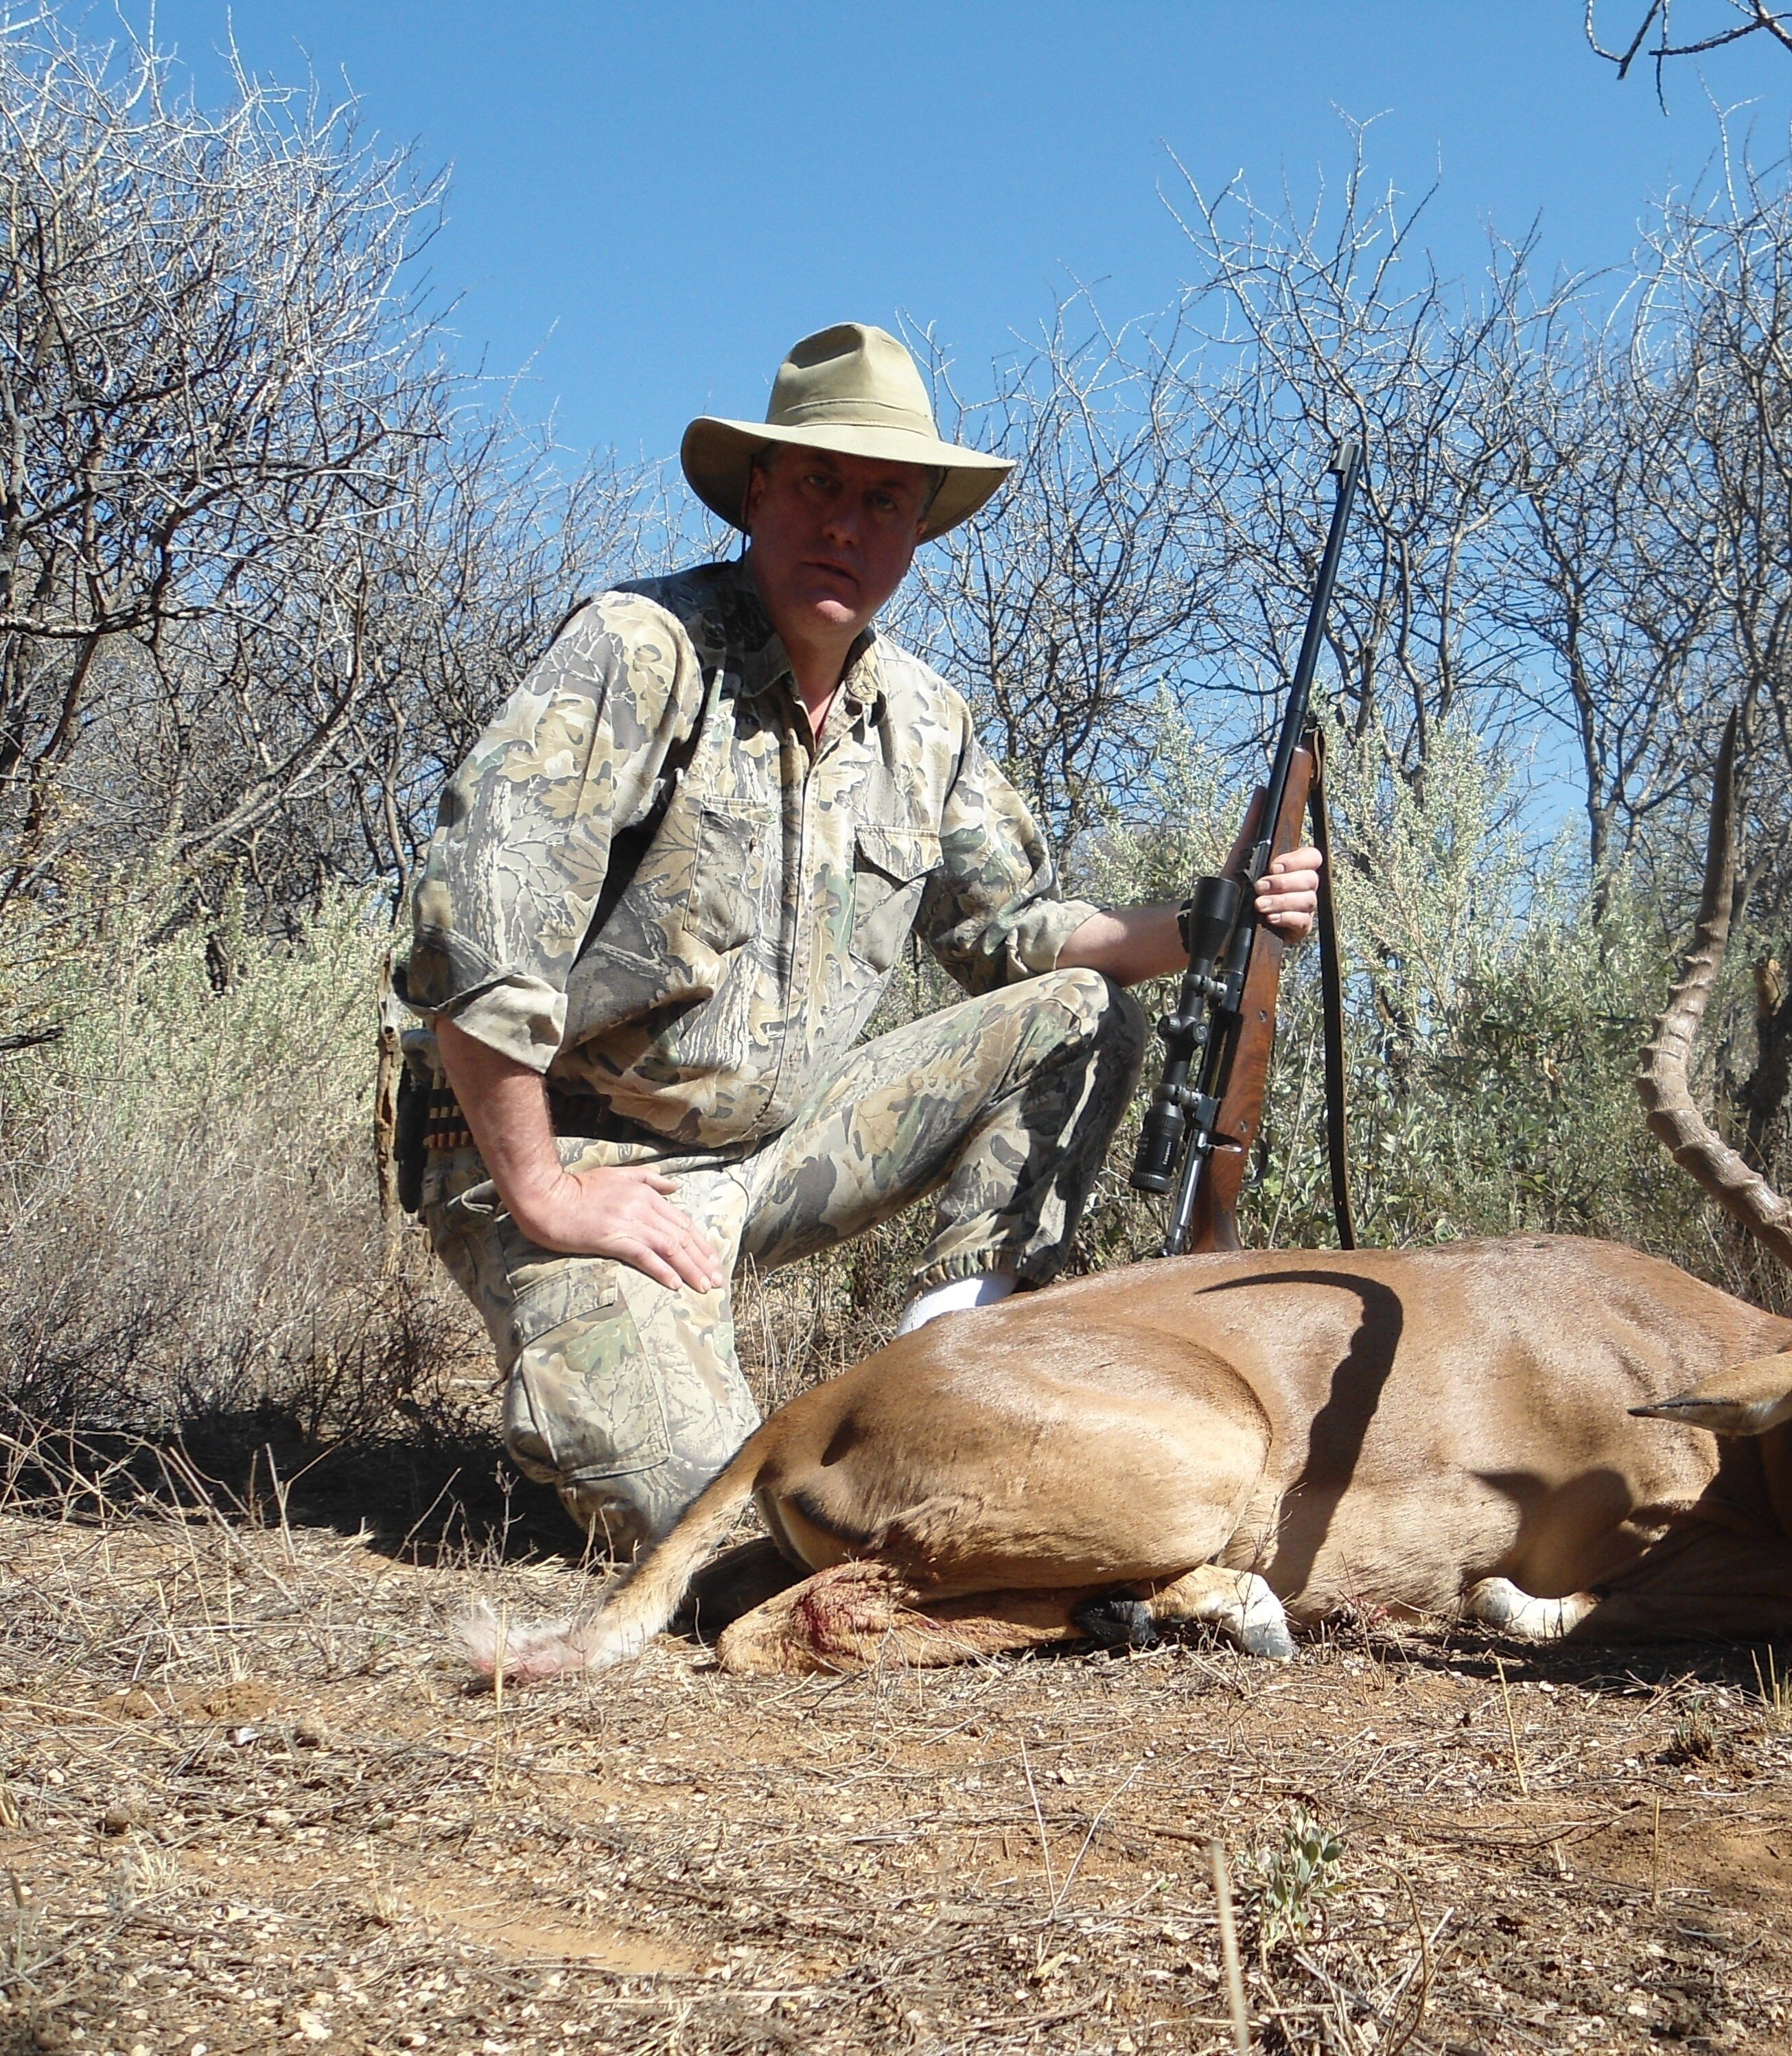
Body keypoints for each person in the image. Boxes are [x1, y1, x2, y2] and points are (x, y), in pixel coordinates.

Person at [397, 321, 1318, 1551]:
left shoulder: (926, 719)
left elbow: (1013, 935)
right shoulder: (638, 649)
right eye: (821, 485)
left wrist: (1221, 917)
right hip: (582, 1157)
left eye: (884, 498)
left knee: (1084, 1014)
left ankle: (958, 1365)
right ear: (761, 492)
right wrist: (545, 1191)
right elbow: (483, 931)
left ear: (920, 526)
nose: (847, 522)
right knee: (736, 1540)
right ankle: (609, 1363)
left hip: (772, 1153)